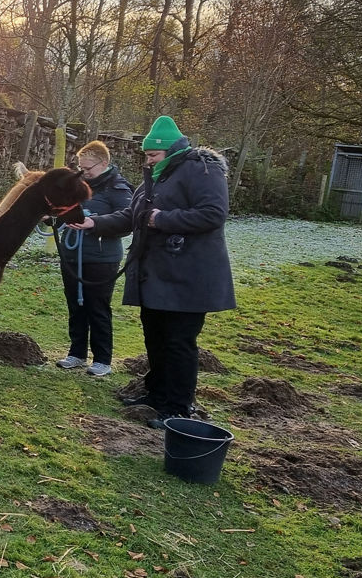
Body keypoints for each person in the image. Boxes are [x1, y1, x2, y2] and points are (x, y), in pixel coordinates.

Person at [69, 116, 235, 428]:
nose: (147, 159)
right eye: (145, 154)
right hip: (156, 275)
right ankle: (156, 394)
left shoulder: (201, 169)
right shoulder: (156, 177)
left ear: (171, 149)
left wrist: (163, 220)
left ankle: (179, 406)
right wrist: (93, 223)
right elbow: (132, 216)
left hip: (188, 276)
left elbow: (213, 213)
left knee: (179, 341)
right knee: (155, 337)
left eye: (152, 154)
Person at [53, 140, 133, 377]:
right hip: (72, 255)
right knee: (74, 305)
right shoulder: (76, 186)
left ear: (104, 163)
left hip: (101, 258)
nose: (84, 173)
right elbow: (64, 211)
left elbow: (126, 221)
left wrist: (95, 222)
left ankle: (102, 358)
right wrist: (53, 218)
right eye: (81, 168)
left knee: (97, 307)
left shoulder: (118, 188)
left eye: (88, 168)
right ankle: (76, 353)